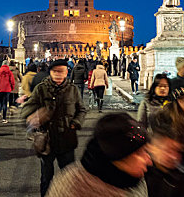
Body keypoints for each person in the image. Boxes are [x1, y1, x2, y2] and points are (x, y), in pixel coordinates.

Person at [21, 59, 86, 197]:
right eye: (55, 71)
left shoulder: (72, 89)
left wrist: (76, 123)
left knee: (69, 178)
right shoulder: (41, 88)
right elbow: (27, 108)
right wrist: (33, 117)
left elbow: (81, 110)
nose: (57, 74)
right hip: (47, 140)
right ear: (50, 72)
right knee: (46, 178)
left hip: (66, 138)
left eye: (61, 71)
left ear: (66, 72)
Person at [46, 113, 150, 197]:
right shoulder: (71, 188)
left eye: (145, 150)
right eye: (139, 153)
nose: (148, 160)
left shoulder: (134, 179)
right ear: (118, 156)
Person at [145, 109, 184, 197]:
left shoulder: (182, 179)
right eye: (167, 150)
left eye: (177, 151)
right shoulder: (142, 177)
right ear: (152, 148)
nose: (174, 156)